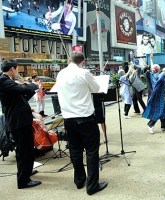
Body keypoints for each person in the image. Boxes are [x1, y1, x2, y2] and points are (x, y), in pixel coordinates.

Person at [55, 52, 108, 195]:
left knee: (75, 150)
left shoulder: (61, 74)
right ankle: (92, 186)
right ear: (82, 61)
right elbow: (97, 89)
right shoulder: (84, 73)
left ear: (70, 60)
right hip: (85, 118)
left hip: (68, 119)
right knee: (92, 151)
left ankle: (79, 181)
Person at [0, 60, 41, 189]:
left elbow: (21, 96)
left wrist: (31, 89)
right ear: (12, 69)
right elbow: (21, 89)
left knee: (28, 149)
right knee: (23, 151)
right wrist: (33, 85)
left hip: (22, 120)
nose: (17, 72)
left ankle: (27, 171)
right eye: (17, 70)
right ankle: (23, 181)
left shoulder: (8, 81)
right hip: (18, 122)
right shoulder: (3, 80)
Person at [143, 64, 165, 134]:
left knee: (163, 110)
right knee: (158, 111)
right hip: (157, 96)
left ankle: (164, 125)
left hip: (159, 95)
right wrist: (164, 74)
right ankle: (150, 124)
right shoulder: (154, 75)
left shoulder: (153, 75)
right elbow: (159, 79)